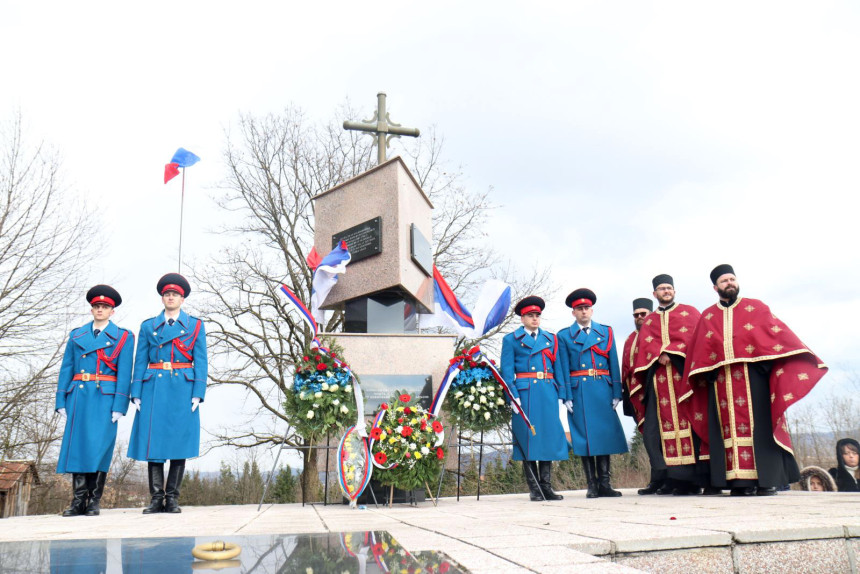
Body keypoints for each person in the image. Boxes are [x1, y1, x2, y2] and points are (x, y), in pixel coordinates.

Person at [683, 264, 827, 496]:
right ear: (715, 287)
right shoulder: (708, 316)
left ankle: (765, 480)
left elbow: (778, 336)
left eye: (732, 279)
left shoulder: (756, 308)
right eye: (724, 281)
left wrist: (765, 362)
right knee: (726, 430)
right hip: (722, 384)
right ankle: (737, 482)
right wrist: (707, 370)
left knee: (759, 427)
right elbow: (698, 351)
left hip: (754, 380)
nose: (729, 283)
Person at [128, 273, 208, 514]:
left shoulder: (195, 325)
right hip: (154, 386)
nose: (170, 297)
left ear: (182, 299)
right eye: (167, 294)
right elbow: (140, 359)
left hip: (182, 387)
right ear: (162, 298)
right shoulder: (148, 326)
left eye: (175, 294)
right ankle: (156, 498)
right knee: (154, 443)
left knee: (178, 443)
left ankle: (172, 497)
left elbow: (201, 361)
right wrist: (136, 391)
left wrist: (198, 392)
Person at [55, 285, 134, 517]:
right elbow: (66, 368)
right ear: (92, 309)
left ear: (112, 311)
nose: (100, 310)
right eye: (97, 306)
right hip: (79, 395)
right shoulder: (77, 335)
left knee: (99, 448)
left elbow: (124, 372)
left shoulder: (123, 337)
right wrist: (61, 399)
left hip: (104, 397)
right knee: (78, 447)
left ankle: (93, 501)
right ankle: (78, 500)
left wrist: (120, 404)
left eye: (105, 307)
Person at [630, 275, 704, 496]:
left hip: (683, 380)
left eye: (669, 288)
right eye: (662, 288)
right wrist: (658, 355)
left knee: (690, 425)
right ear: (655, 294)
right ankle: (673, 479)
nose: (666, 291)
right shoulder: (650, 321)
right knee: (661, 430)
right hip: (659, 380)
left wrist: (672, 353)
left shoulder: (689, 312)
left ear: (674, 290)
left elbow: (696, 339)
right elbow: (644, 348)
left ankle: (694, 480)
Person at [557, 288, 628, 498]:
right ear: (573, 313)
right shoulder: (564, 336)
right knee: (584, 438)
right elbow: (563, 367)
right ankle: (592, 485)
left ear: (592, 310)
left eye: (587, 308)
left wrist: (617, 391)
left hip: (602, 388)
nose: (584, 312)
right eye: (579, 309)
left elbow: (613, 361)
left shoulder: (606, 332)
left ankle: (605, 483)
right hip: (580, 390)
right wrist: (566, 395)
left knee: (604, 436)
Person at [501, 296, 569, 501]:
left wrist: (563, 393)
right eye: (530, 315)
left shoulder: (551, 339)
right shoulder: (511, 339)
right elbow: (507, 370)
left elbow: (559, 368)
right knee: (528, 440)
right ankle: (534, 489)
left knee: (547, 438)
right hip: (525, 393)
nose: (535, 319)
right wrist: (512, 396)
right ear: (522, 318)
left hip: (547, 391)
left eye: (537, 315)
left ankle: (546, 487)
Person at [620, 297, 653, 421]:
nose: (639, 316)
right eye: (636, 315)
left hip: (655, 386)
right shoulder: (630, 339)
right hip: (636, 389)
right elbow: (624, 367)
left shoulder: (658, 333)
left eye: (643, 314)